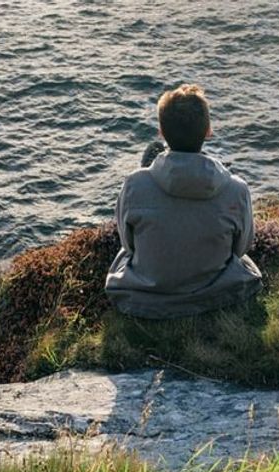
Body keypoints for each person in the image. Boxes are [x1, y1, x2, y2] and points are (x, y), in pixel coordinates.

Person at [105, 84, 262, 319]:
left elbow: (128, 245)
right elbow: (241, 248)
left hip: (144, 298)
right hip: (217, 295)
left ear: (161, 131)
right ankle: (208, 174)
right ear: (208, 131)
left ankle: (153, 171)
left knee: (124, 255)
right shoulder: (237, 189)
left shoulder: (133, 185)